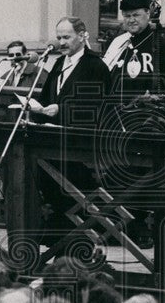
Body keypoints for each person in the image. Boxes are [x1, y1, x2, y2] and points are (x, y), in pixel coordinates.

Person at [103, 0, 165, 271]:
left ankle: (145, 231)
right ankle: (123, 225)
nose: (131, 20)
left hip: (149, 129)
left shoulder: (159, 46)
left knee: (147, 181)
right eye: (126, 15)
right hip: (119, 127)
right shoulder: (119, 45)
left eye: (136, 15)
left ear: (147, 15)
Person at [28, 16, 111, 247]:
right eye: (59, 37)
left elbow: (96, 108)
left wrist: (61, 110)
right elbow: (46, 97)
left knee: (72, 199)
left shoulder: (95, 66)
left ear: (82, 36)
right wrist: (36, 108)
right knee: (51, 192)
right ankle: (56, 240)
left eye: (67, 37)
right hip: (52, 144)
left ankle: (74, 246)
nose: (61, 42)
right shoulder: (58, 64)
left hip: (79, 148)